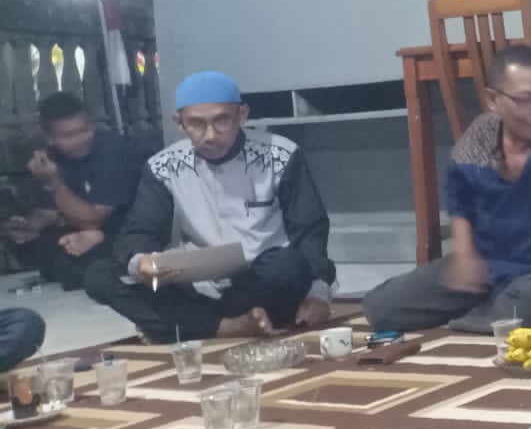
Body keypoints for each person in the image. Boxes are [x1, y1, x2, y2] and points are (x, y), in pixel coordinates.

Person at [363, 46, 531, 334]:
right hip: (487, 266)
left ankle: (474, 319)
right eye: (526, 99)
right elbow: (460, 198)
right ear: (492, 100)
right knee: (381, 308)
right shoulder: (480, 135)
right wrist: (464, 254)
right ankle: (486, 315)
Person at [83, 71, 337, 342]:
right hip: (197, 288)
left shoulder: (281, 155)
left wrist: (318, 296)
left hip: (262, 284)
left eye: (222, 121)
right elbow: (141, 231)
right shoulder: (162, 167)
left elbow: (311, 234)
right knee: (101, 276)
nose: (210, 135)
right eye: (196, 124)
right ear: (179, 123)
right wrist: (143, 263)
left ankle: (182, 327)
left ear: (242, 115)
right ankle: (225, 327)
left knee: (288, 265)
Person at [4, 92, 145, 292]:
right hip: (84, 231)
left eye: (85, 130)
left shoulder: (114, 152)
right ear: (49, 138)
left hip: (128, 232)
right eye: (68, 136)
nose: (81, 139)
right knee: (43, 246)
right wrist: (32, 224)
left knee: (76, 265)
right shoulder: (50, 158)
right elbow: (56, 212)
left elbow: (94, 220)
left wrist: (53, 183)